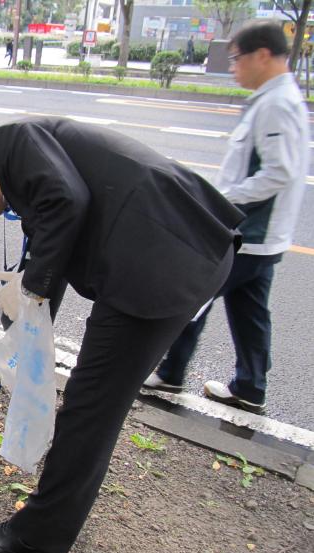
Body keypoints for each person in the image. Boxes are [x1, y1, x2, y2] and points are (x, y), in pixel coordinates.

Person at [0, 119, 243, 553]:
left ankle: (35, 540)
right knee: (95, 406)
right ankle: (55, 521)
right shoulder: (36, 163)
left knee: (90, 407)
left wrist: (34, 293)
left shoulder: (12, 142)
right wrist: (28, 326)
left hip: (160, 264)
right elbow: (56, 238)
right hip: (179, 254)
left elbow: (68, 202)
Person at [144, 21, 309, 414]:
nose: (233, 67)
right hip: (260, 237)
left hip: (248, 232)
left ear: (262, 56)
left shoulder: (276, 104)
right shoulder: (275, 99)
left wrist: (221, 201)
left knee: (191, 293)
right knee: (250, 310)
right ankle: (250, 386)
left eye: (236, 59)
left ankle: (170, 372)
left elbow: (277, 172)